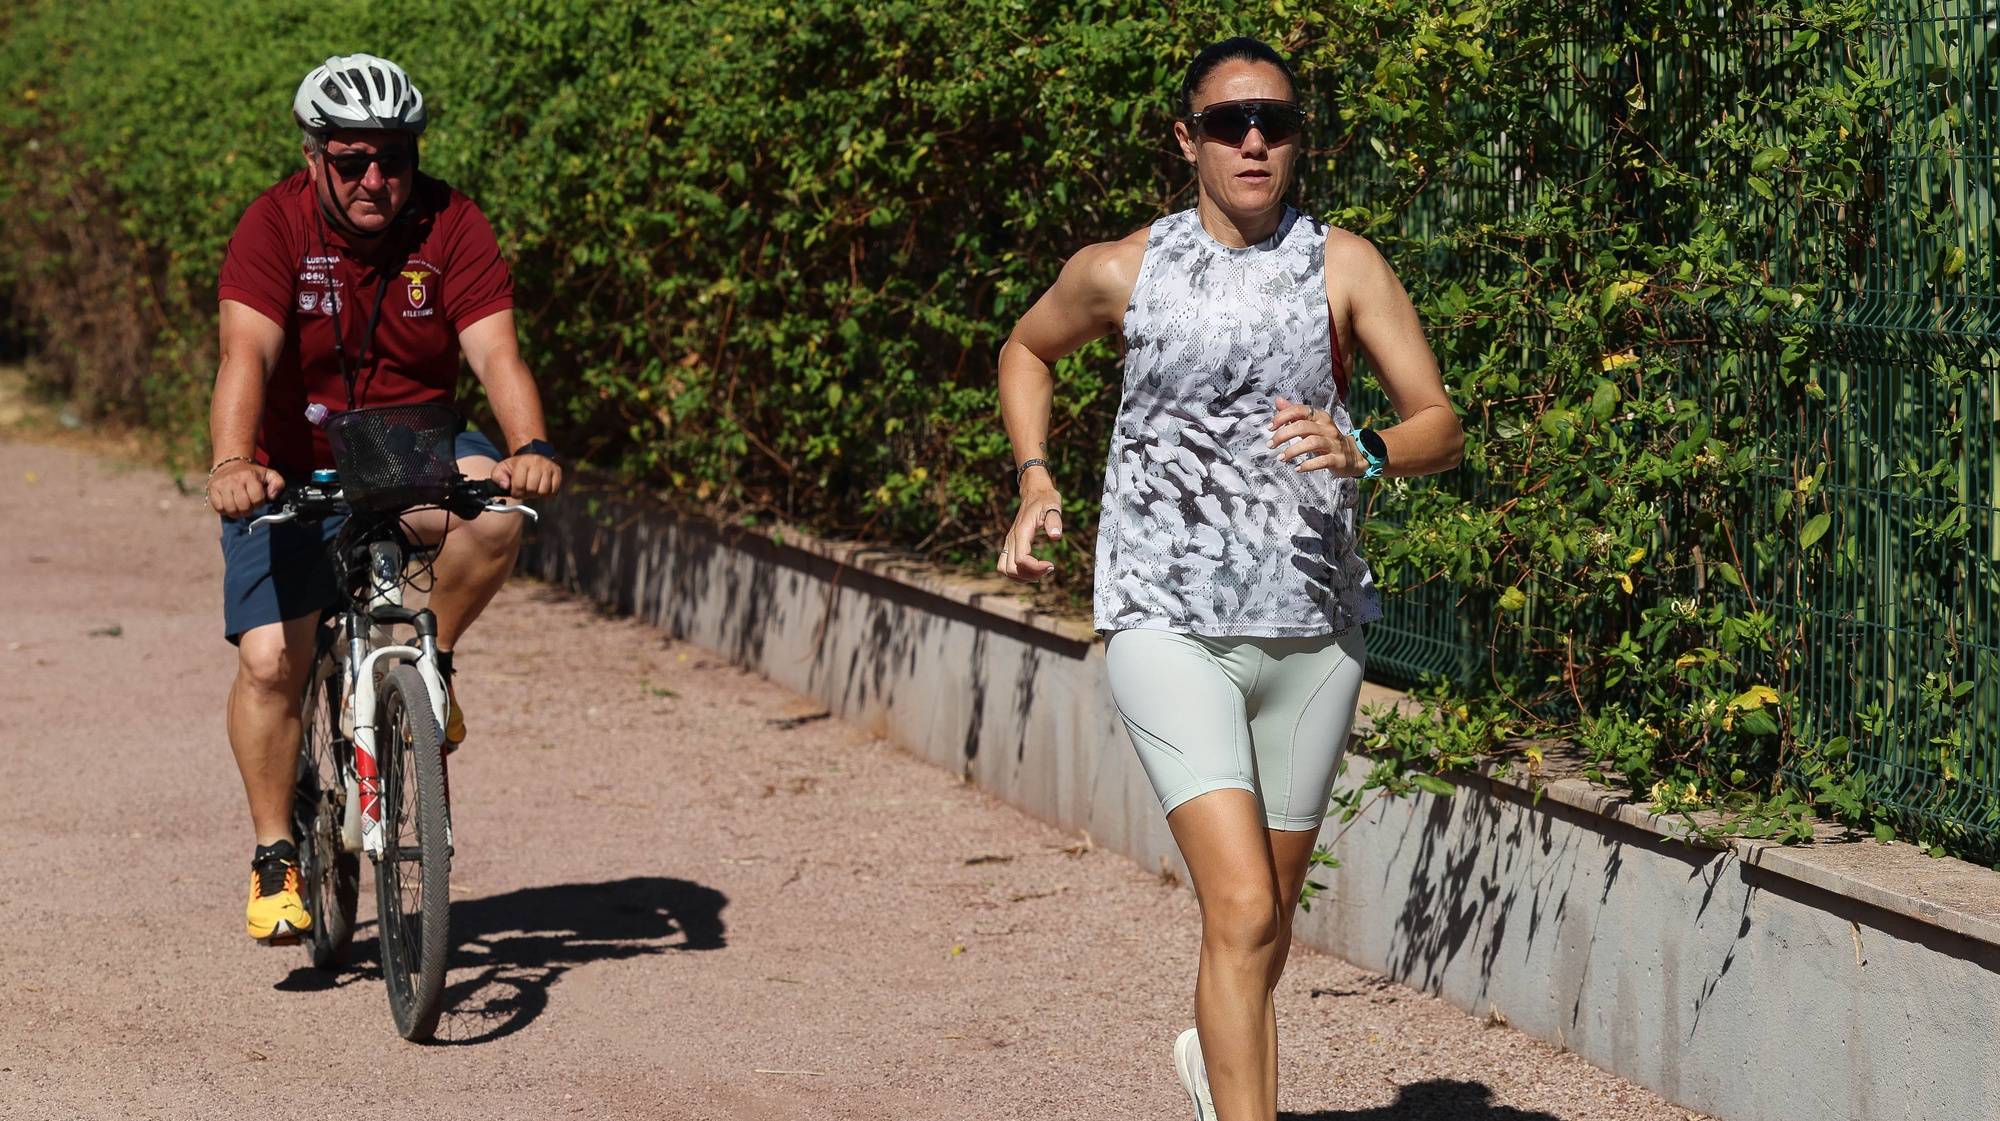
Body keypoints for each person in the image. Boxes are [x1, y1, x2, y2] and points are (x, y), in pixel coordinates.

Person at [995, 36, 1463, 1121]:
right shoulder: (1122, 268)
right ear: (1186, 139)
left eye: (1276, 122)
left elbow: (1439, 423)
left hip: (1312, 628)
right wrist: (1032, 478)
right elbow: (1026, 350)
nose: (1253, 140)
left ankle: (1215, 1059)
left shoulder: (1344, 264)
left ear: (1298, 141)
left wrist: (1371, 449)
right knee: (1243, 903)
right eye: (1227, 123)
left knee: (1261, 926)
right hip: (1167, 620)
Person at [204, 53, 563, 944]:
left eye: (394, 159)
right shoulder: (273, 224)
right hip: (290, 459)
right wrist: (231, 462)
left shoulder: (452, 222)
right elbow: (244, 354)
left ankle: (428, 660)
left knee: (500, 514)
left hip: (413, 441)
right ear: (314, 154)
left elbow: (496, 355)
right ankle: (274, 854)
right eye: (353, 159)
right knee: (267, 664)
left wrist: (531, 446)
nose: (376, 179)